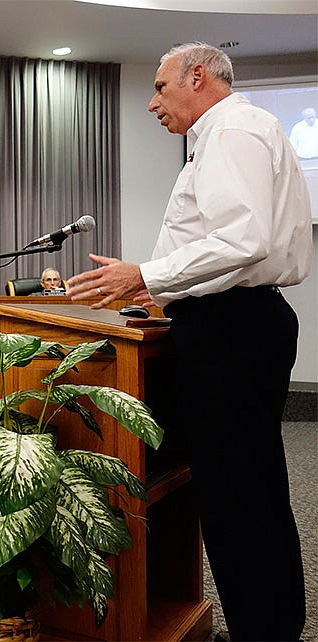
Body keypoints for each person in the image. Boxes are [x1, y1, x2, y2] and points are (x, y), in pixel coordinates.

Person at [66, 43, 311, 642]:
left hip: (231, 330)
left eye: (159, 87)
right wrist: (157, 291)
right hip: (236, 325)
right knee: (247, 489)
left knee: (237, 496)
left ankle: (264, 632)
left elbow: (243, 240)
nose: (152, 103)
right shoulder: (238, 131)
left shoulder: (230, 132)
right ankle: (269, 626)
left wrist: (146, 277)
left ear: (197, 76)